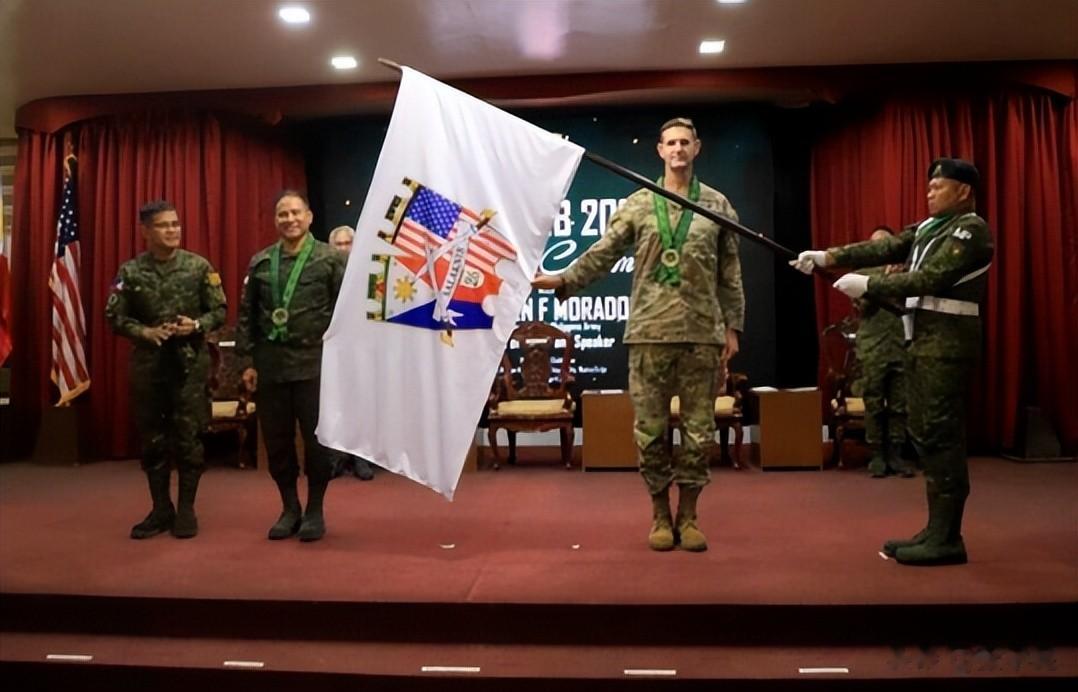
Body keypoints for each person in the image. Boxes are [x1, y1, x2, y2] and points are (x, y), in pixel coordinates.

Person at [533, 117, 745, 553]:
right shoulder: (639, 203)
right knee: (650, 434)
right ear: (660, 150)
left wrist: (732, 327)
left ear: (697, 148)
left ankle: (689, 516)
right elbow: (605, 252)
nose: (678, 149)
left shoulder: (717, 206)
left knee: (698, 434)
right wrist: (565, 279)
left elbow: (730, 274)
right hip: (649, 335)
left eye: (685, 142)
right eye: (671, 143)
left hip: (702, 336)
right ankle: (660, 515)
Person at [791, 158, 993, 566]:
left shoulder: (971, 231)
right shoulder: (929, 229)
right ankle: (937, 529)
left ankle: (947, 537)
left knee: (941, 437)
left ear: (964, 191)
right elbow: (884, 247)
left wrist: (870, 283)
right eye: (929, 185)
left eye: (939, 186)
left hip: (947, 345)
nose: (930, 191)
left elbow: (931, 278)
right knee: (926, 433)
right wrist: (828, 256)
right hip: (921, 342)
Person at [105, 200, 227, 539]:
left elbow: (219, 310)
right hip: (149, 369)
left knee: (189, 440)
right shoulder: (130, 272)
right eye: (163, 225)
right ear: (146, 231)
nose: (173, 230)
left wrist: (196, 325)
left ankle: (186, 508)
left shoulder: (199, 267)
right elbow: (114, 316)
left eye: (175, 223)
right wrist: (144, 332)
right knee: (153, 442)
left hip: (189, 369)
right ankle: (161, 509)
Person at [237, 191, 346, 542]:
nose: (290, 219)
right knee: (278, 443)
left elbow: (345, 314)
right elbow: (247, 317)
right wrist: (247, 362)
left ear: (309, 216)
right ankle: (289, 507)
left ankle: (315, 509)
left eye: (296, 212)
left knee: (317, 443)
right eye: (283, 214)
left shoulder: (331, 259)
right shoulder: (261, 262)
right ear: (275, 220)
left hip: (316, 366)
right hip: (271, 368)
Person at [854, 226, 914, 479]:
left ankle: (896, 454)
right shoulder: (862, 275)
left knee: (900, 404)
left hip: (902, 346)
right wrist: (882, 281)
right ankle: (877, 454)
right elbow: (862, 307)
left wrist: (899, 279)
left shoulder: (908, 273)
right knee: (874, 403)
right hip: (873, 347)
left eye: (885, 244)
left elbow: (915, 303)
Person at [326, 225, 375, 481]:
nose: (344, 248)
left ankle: (361, 456)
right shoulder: (322, 273)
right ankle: (336, 457)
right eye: (339, 244)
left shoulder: (368, 273)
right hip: (331, 348)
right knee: (333, 402)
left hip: (362, 346)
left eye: (348, 243)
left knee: (361, 401)